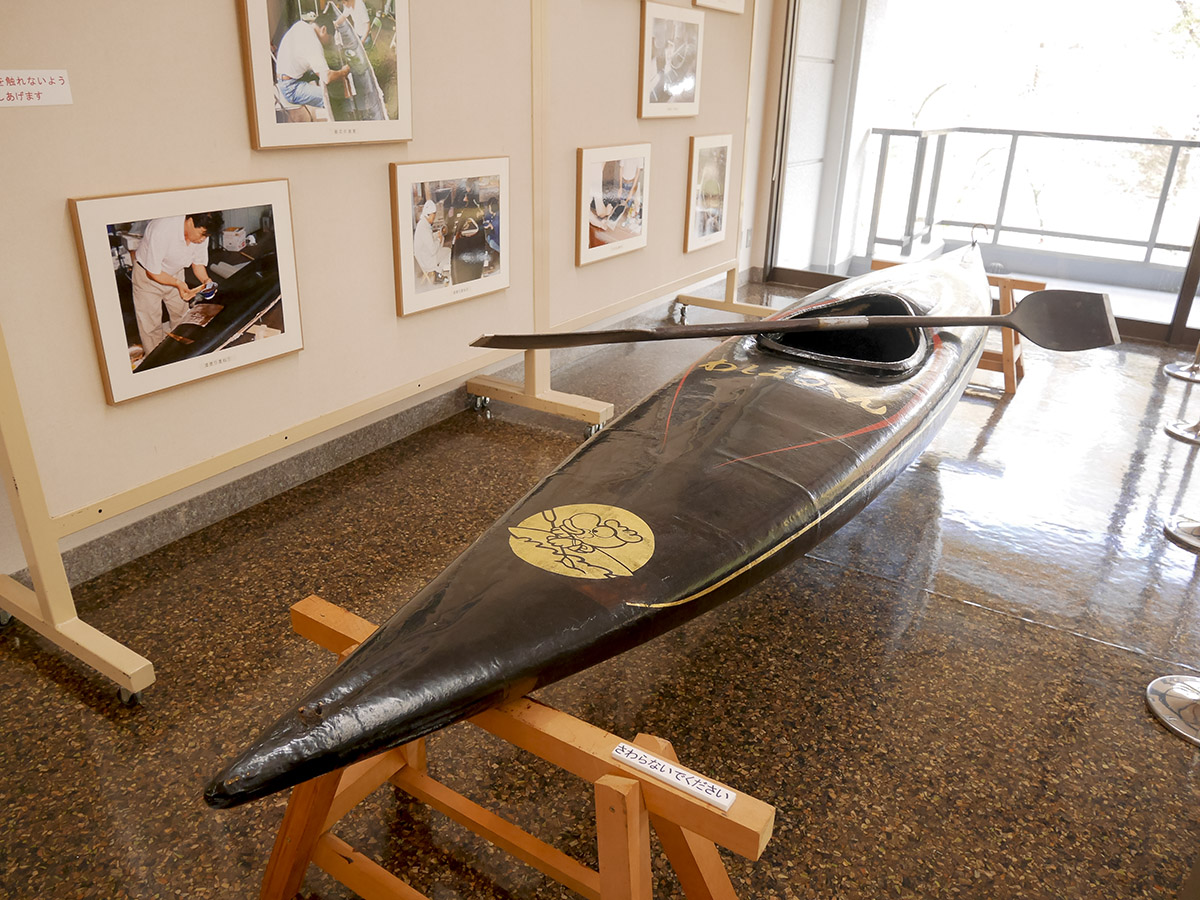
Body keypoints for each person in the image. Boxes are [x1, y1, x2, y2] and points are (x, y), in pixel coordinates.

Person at [131, 211, 223, 355]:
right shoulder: (162, 229)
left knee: (182, 317)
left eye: (206, 236)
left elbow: (198, 264)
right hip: (147, 277)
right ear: (191, 221)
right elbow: (153, 272)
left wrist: (206, 281)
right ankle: (156, 362)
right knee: (150, 326)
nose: (202, 239)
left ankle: (179, 355)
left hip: (175, 273)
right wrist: (178, 284)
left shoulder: (201, 234)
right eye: (202, 234)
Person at [275, 8, 351, 111]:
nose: (328, 42)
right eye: (329, 38)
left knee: (326, 70)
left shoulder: (301, 25)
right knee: (329, 98)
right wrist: (343, 72)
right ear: (323, 29)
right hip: (290, 88)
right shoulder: (313, 42)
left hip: (288, 75)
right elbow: (327, 78)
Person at [412, 200, 449, 281]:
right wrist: (439, 239)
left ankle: (438, 272)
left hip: (424, 256)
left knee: (444, 251)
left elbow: (428, 239)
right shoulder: (424, 228)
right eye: (433, 216)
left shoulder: (422, 224)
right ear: (428, 215)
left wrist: (437, 234)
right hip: (426, 260)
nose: (434, 218)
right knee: (448, 252)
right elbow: (432, 250)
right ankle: (438, 274)